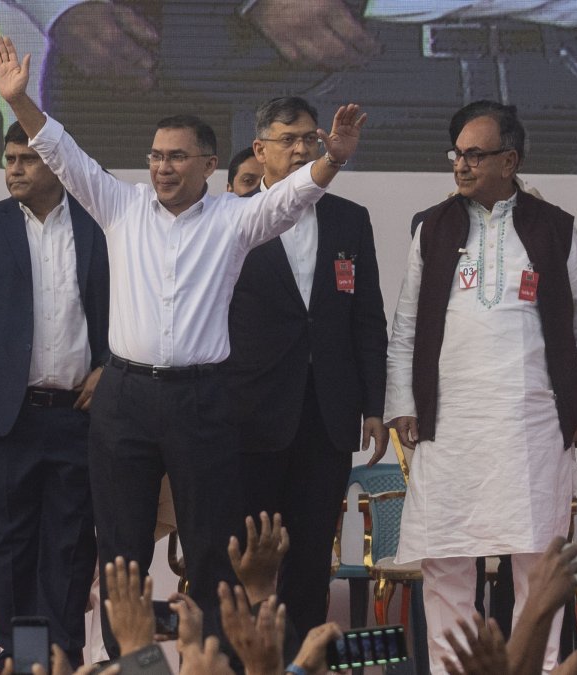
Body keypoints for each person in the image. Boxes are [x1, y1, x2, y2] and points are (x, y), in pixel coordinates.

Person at [0, 34, 368, 653]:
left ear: (210, 165)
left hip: (203, 401)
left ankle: (211, 663)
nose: (163, 166)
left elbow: (294, 196)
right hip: (125, 398)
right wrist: (21, 99)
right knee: (122, 548)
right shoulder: (120, 205)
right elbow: (63, 152)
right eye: (157, 155)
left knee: (213, 548)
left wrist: (333, 160)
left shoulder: (235, 220)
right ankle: (130, 664)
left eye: (178, 157)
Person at [384, 100, 577, 673]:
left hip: (532, 421)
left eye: (474, 154)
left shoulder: (553, 227)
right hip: (451, 424)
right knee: (447, 562)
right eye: (456, 153)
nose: (460, 164)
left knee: (540, 564)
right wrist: (403, 404)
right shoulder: (432, 227)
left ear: (510, 160)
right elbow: (406, 324)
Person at [0, 121, 108, 663]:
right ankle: (14, 653)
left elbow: (131, 309)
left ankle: (63, 655)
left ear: (57, 164)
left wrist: (110, 368)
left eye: (26, 159)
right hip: (5, 415)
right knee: (9, 540)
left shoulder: (102, 224)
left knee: (72, 540)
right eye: (9, 159)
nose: (13, 169)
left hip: (81, 412)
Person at [223, 96, 387, 646]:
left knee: (314, 549)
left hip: (328, 414)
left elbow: (367, 320)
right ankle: (257, 656)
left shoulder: (349, 219)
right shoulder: (232, 219)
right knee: (253, 554)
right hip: (251, 415)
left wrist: (375, 406)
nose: (299, 149)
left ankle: (305, 656)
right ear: (259, 149)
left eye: (309, 140)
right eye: (287, 139)